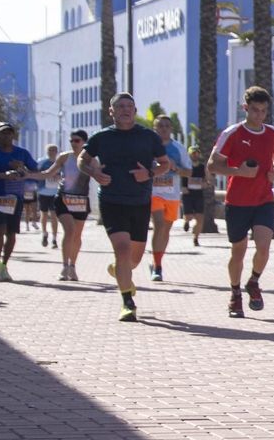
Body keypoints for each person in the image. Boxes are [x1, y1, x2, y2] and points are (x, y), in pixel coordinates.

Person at [78, 95, 172, 321]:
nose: (125, 110)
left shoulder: (148, 136)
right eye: (120, 106)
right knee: (122, 250)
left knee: (134, 260)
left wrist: (148, 173)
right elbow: (82, 160)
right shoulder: (101, 137)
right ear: (111, 111)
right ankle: (127, 302)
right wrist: (94, 174)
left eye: (129, 106)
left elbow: (165, 164)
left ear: (135, 110)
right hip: (111, 200)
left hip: (140, 201)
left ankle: (118, 269)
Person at [210, 86, 274, 319]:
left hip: (264, 201)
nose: (259, 115)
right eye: (254, 110)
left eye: (263, 111)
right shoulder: (232, 133)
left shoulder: (273, 134)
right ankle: (235, 294)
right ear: (245, 108)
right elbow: (212, 165)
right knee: (238, 251)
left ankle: (253, 282)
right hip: (237, 202)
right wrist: (238, 171)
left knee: (264, 247)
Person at [147, 116, 193, 282]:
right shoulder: (148, 147)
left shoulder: (178, 148)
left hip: (172, 194)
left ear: (171, 129)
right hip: (154, 192)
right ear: (155, 128)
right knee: (158, 226)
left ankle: (156, 260)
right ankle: (158, 267)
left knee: (166, 230)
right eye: (160, 126)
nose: (164, 129)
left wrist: (175, 168)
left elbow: (189, 172)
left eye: (167, 126)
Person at [0, 122, 37, 282]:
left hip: (15, 198)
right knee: (0, 228)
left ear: (14, 135)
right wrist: (3, 175)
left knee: (11, 233)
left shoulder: (22, 153)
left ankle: (4, 265)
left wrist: (23, 168)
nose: (6, 136)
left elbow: (36, 171)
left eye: (9, 133)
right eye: (3, 133)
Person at [50, 130, 92, 281]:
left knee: (77, 235)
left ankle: (72, 267)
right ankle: (64, 266)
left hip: (81, 200)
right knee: (69, 230)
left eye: (77, 140)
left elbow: (101, 172)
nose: (74, 143)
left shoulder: (90, 159)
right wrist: (28, 174)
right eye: (72, 141)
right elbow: (48, 173)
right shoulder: (64, 157)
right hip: (63, 198)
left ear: (84, 142)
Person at [36, 143, 61, 249]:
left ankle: (54, 238)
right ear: (47, 151)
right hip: (43, 191)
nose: (52, 152)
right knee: (44, 214)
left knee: (54, 215)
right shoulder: (41, 162)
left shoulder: (59, 163)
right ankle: (44, 233)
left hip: (55, 192)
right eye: (50, 150)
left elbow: (63, 176)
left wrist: (57, 177)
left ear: (57, 152)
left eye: (54, 150)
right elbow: (36, 173)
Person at [181, 146, 207, 246]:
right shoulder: (185, 167)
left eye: (197, 153)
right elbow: (178, 176)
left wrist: (206, 183)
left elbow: (208, 179)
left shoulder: (202, 167)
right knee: (189, 216)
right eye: (193, 153)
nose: (195, 155)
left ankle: (196, 239)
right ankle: (187, 222)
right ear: (189, 155)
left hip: (198, 194)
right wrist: (182, 187)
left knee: (200, 218)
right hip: (187, 194)